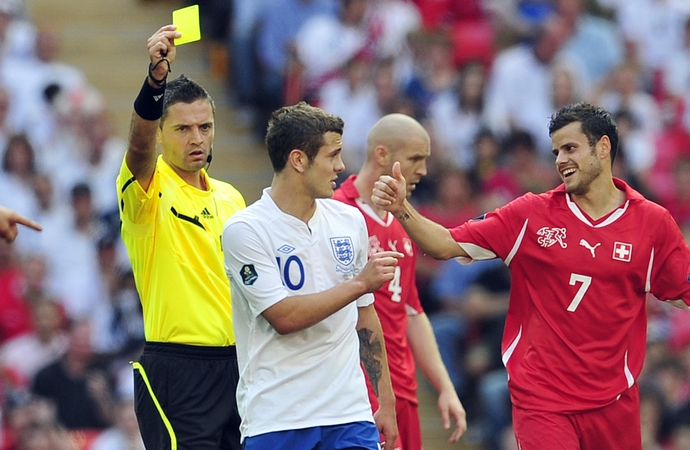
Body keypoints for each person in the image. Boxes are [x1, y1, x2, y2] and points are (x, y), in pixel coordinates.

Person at [372, 102, 690, 450]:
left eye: (571, 148)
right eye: (557, 151)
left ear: (603, 148)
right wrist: (402, 208)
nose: (561, 160)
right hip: (542, 397)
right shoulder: (531, 214)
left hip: (614, 400)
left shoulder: (652, 223)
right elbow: (446, 244)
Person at [222, 102, 400, 450]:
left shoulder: (349, 222)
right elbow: (284, 317)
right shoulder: (245, 230)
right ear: (299, 160)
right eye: (331, 155)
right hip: (278, 417)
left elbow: (365, 316)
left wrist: (385, 400)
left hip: (349, 414)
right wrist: (360, 283)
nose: (341, 166)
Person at [116, 25, 246, 449]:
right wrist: (156, 80)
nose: (197, 138)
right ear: (159, 132)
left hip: (240, 365)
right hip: (179, 367)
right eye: (183, 129)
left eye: (205, 127)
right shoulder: (149, 188)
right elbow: (137, 150)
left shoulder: (232, 197)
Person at [332, 113, 467, 449]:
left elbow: (411, 310)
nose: (422, 170)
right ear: (381, 155)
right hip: (359, 386)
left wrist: (444, 386)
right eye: (415, 159)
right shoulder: (337, 214)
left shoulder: (402, 222)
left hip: (403, 387)